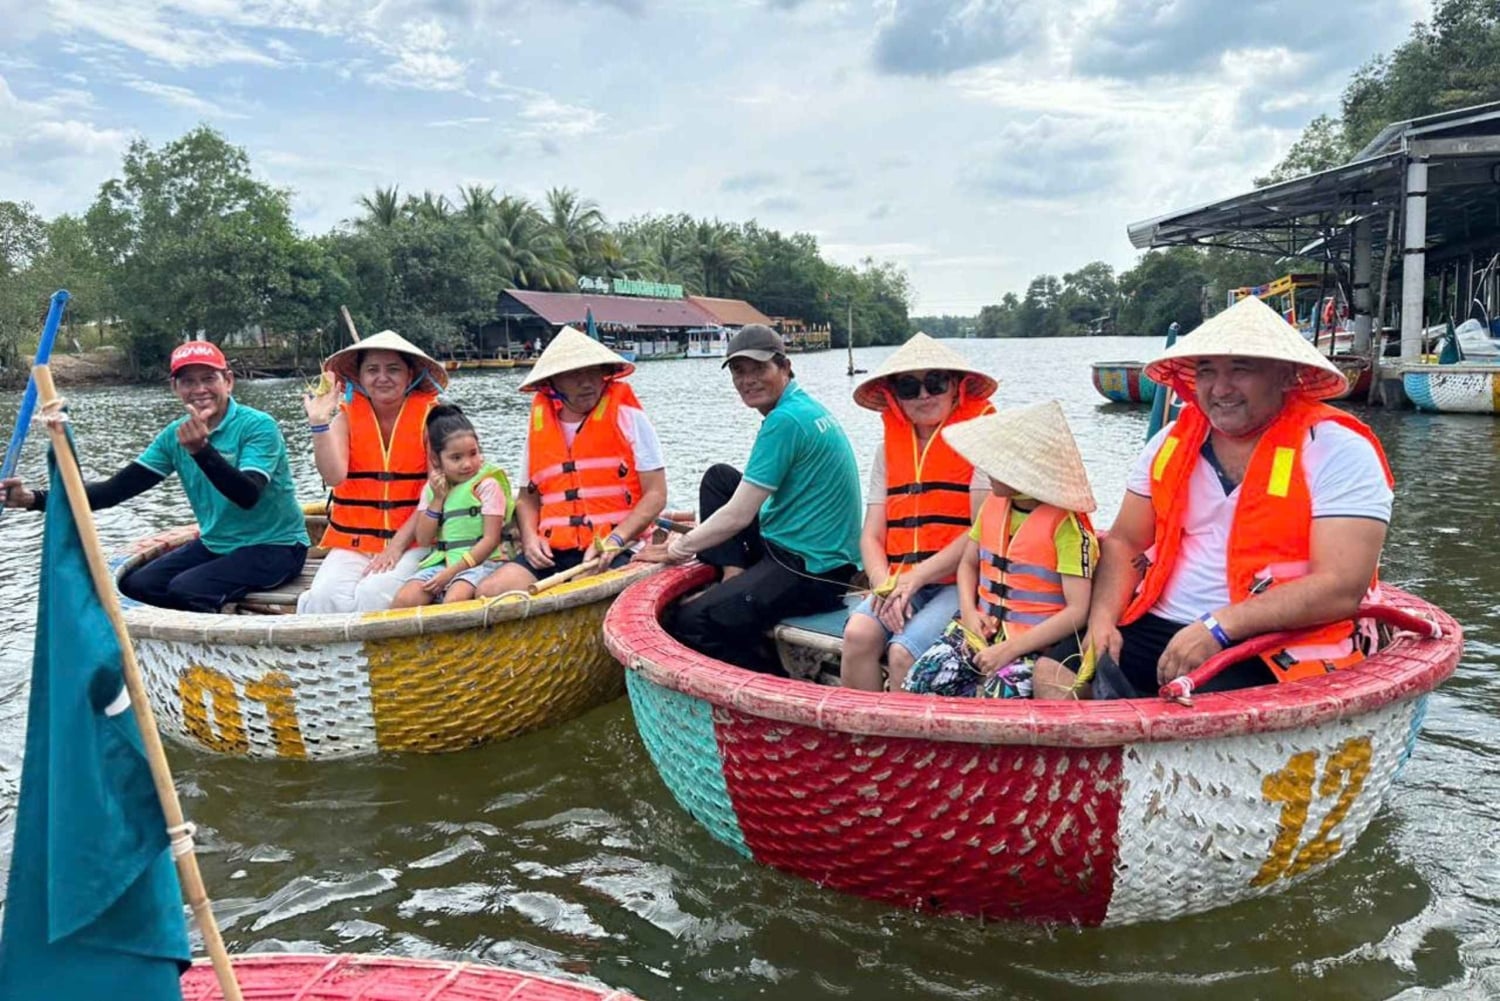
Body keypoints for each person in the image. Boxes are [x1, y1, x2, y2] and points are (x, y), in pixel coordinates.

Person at [1084, 294, 1395, 700]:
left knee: (1200, 704)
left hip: (1276, 636)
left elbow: (1341, 585)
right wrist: (1102, 620)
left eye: (1241, 370)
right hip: (1160, 619)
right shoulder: (1168, 443)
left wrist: (1218, 626)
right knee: (1058, 667)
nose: (1221, 388)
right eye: (1208, 371)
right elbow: (1126, 541)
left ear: (1286, 376)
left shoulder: (1337, 449)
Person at [1, 341, 307, 612]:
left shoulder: (258, 426)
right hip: (218, 544)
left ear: (228, 382)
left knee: (188, 588)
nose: (199, 389)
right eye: (188, 381)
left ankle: (218, 653)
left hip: (277, 546)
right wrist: (32, 499)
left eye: (209, 378)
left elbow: (248, 495)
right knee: (138, 585)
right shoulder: (174, 436)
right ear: (175, 389)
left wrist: (202, 451)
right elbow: (113, 491)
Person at [638, 324, 862, 674]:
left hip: (812, 571)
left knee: (691, 621)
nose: (748, 380)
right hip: (813, 551)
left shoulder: (785, 421)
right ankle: (734, 573)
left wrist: (677, 550)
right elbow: (740, 501)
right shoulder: (801, 407)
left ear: (784, 367)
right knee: (719, 478)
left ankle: (774, 678)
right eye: (739, 372)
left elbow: (738, 516)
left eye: (760, 369)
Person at [902, 401, 1099, 700]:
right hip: (979, 630)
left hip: (1032, 644)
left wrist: (1008, 649)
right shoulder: (993, 507)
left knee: (1002, 692)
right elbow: (968, 565)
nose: (986, 470)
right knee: (923, 676)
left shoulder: (1069, 529)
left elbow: (1077, 611)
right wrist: (970, 614)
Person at [839, 332, 998, 692]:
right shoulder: (888, 451)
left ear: (957, 387)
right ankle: (861, 738)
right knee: (858, 634)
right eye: (909, 387)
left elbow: (981, 531)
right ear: (895, 397)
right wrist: (883, 586)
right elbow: (872, 535)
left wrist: (915, 578)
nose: (924, 395)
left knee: (903, 652)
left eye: (935, 383)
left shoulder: (980, 443)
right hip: (901, 580)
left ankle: (902, 746)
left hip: (960, 582)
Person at [476, 327, 667, 597]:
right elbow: (526, 500)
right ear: (553, 382)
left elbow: (656, 494)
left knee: (584, 589)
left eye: (592, 372)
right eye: (574, 375)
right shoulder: (541, 427)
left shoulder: (627, 415)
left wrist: (615, 540)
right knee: (490, 590)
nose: (586, 382)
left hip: (619, 545)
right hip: (554, 550)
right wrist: (530, 540)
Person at [297, 329, 447, 614]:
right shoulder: (347, 415)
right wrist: (318, 421)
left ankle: (376, 658)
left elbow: (435, 494)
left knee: (373, 592)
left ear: (409, 374)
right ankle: (334, 659)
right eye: (372, 370)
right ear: (360, 377)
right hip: (355, 541)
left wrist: (395, 547)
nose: (382, 377)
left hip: (416, 539)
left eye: (393, 369)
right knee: (323, 597)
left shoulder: (433, 418)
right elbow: (334, 476)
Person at [392, 405, 511, 607]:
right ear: (436, 460)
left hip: (482, 563)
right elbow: (423, 538)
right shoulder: (431, 490)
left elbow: (490, 540)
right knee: (405, 599)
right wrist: (437, 500)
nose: (467, 464)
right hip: (442, 562)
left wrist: (450, 574)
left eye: (473, 454)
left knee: (454, 599)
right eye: (456, 458)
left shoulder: (487, 485)